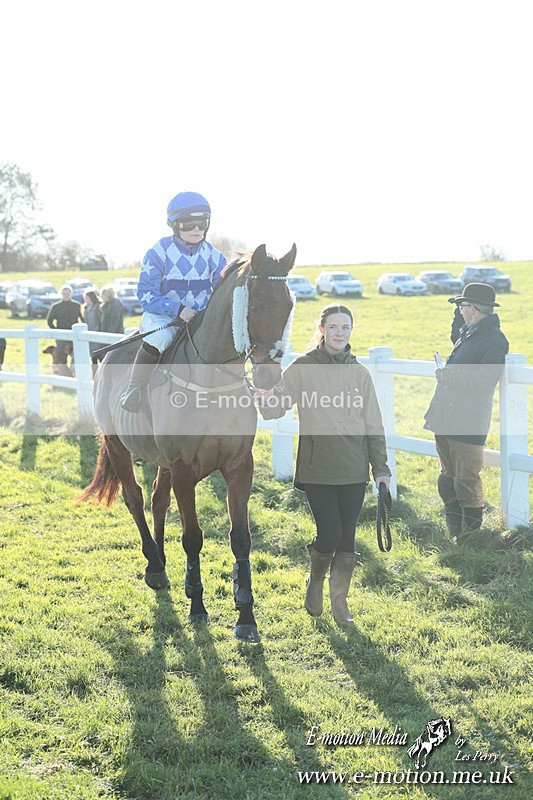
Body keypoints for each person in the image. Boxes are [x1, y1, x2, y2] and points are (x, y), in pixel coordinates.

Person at [258, 304, 391, 625]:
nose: (339, 333)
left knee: (347, 539)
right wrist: (259, 392)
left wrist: (381, 471)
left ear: (351, 331)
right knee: (329, 532)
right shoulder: (304, 367)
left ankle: (340, 604)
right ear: (322, 329)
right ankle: (316, 580)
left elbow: (374, 425)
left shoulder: (361, 373)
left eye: (345, 327)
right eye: (333, 327)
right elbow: (274, 408)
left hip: (355, 469)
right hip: (317, 468)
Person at [120, 191, 227, 412]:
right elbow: (147, 295)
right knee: (161, 337)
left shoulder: (215, 257)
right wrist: (177, 309)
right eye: (189, 223)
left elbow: (222, 293)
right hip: (163, 317)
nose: (196, 229)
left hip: (199, 319)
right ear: (175, 225)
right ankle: (134, 389)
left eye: (202, 222)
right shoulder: (158, 253)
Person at [424, 283, 509, 536]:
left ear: (474, 309)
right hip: (446, 417)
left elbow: (485, 382)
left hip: (468, 421)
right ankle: (455, 533)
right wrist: (455, 306)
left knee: (466, 480)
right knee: (448, 477)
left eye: (463, 306)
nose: (460, 311)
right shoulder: (468, 333)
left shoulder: (494, 340)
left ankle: (470, 538)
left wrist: (449, 376)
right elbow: (456, 330)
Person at [46, 286, 83, 364]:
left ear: (71, 294)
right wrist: (56, 331)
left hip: (74, 335)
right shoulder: (56, 306)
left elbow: (83, 319)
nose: (66, 295)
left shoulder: (76, 305)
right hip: (61, 336)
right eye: (64, 293)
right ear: (61, 294)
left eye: (68, 293)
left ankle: (74, 374)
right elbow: (49, 320)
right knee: (61, 358)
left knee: (76, 357)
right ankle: (63, 374)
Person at [82, 290, 102, 370]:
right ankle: (94, 375)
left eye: (87, 298)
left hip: (98, 334)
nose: (85, 300)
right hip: (89, 336)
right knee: (93, 358)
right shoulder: (85, 309)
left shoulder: (98, 307)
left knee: (100, 356)